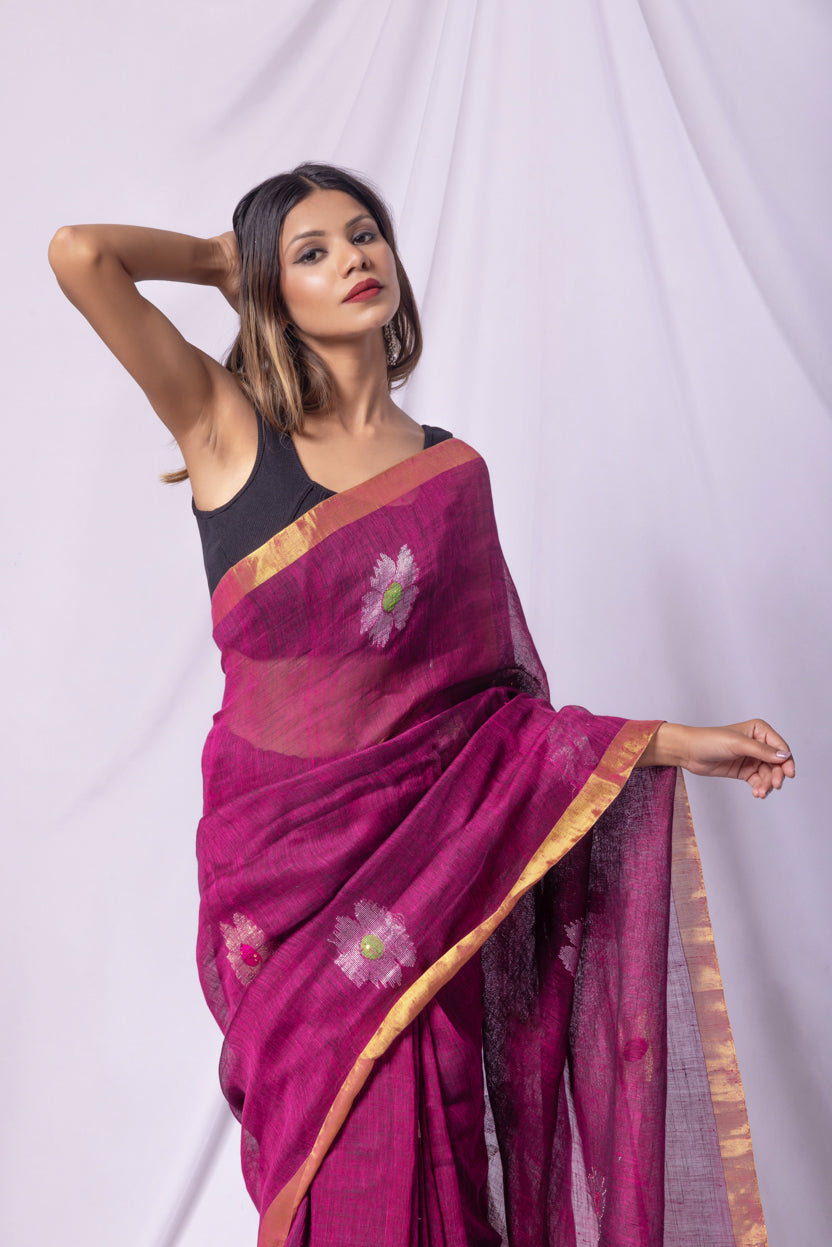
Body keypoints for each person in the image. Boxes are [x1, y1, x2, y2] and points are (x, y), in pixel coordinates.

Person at [48, 162, 794, 1247]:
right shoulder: (226, 430)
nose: (353, 257)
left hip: (424, 900)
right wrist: (225, 261)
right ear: (273, 291)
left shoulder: (449, 473)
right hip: (290, 896)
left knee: (435, 1147)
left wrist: (679, 742)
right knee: (341, 1165)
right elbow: (81, 253)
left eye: (364, 235)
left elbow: (493, 726)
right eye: (311, 251)